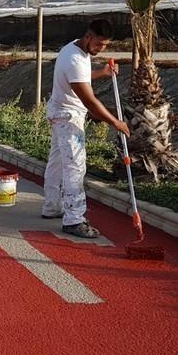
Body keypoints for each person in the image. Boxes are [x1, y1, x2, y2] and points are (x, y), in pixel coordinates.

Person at [41, 19, 130, 238]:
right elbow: (90, 102)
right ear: (88, 36)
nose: (101, 49)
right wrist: (115, 122)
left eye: (106, 45)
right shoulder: (74, 59)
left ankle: (52, 206)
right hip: (68, 117)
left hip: (59, 112)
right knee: (75, 166)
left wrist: (103, 72)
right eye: (99, 44)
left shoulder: (75, 47)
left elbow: (80, 77)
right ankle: (74, 219)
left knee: (58, 162)